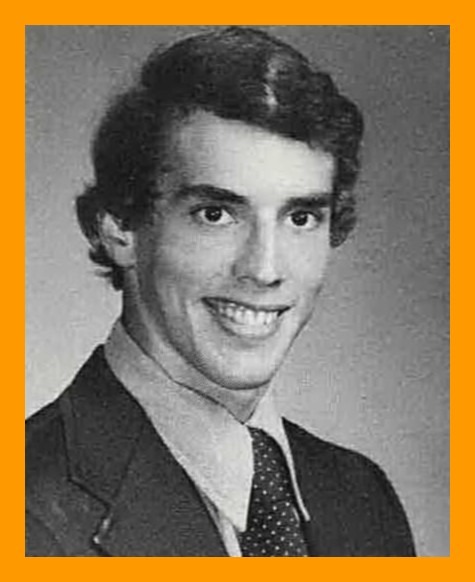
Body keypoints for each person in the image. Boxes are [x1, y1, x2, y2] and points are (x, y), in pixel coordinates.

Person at [26, 26, 416, 557]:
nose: (265, 269)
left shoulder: (362, 498)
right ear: (119, 228)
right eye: (216, 214)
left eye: (300, 217)